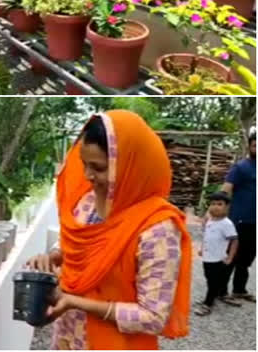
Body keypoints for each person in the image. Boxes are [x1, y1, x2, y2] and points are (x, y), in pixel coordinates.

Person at [26, 111, 191, 350]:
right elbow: (78, 248)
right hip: (69, 337)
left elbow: (153, 317)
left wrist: (75, 302)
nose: (88, 176)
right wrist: (51, 257)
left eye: (99, 168)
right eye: (84, 164)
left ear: (130, 165)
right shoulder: (86, 202)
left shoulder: (158, 229)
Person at [221, 129, 257, 302]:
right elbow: (226, 188)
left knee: (248, 256)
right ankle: (221, 291)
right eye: (255, 145)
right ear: (250, 147)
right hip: (240, 219)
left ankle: (239, 289)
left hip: (255, 221)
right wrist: (217, 212)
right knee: (232, 254)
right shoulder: (241, 167)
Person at [195, 191, 239, 316]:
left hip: (218, 259)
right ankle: (212, 297)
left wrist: (230, 258)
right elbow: (207, 236)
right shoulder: (210, 220)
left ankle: (208, 304)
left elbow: (234, 241)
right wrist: (202, 248)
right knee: (209, 279)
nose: (215, 206)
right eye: (213, 203)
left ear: (226, 207)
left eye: (219, 204)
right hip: (207, 258)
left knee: (213, 282)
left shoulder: (227, 224)